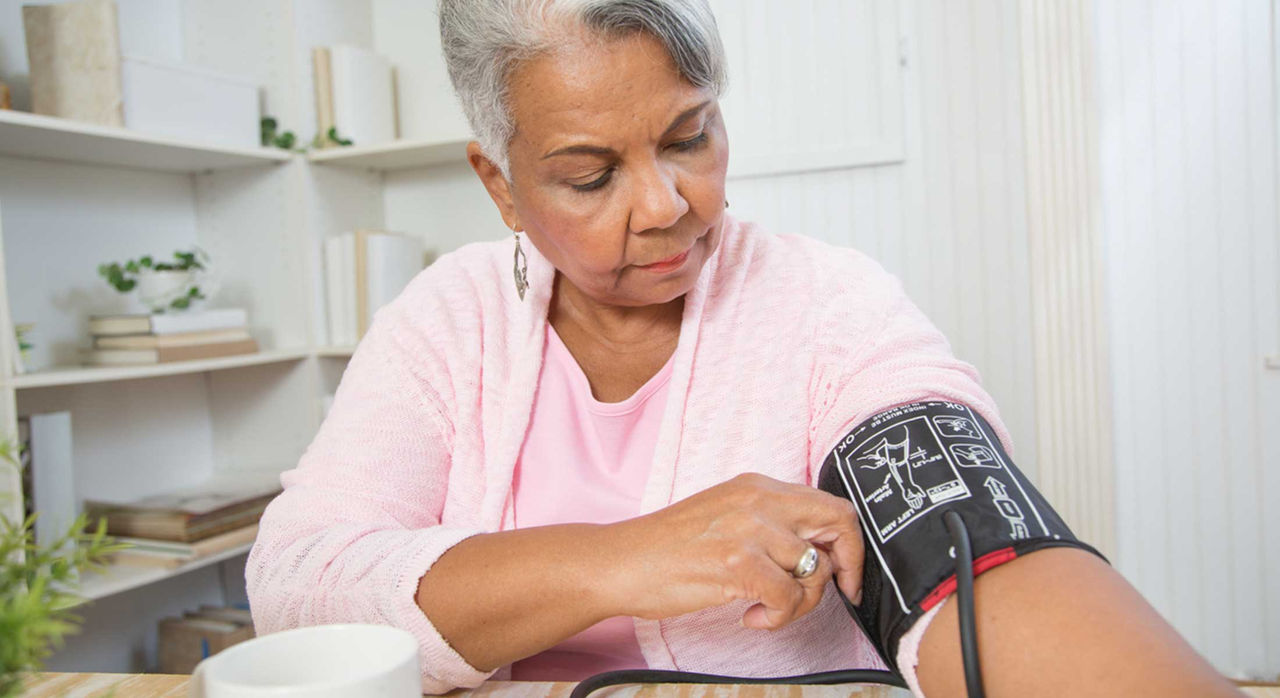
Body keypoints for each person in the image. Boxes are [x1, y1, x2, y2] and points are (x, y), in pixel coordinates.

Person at [246, 2, 1242, 696]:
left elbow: (958, 524)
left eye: (688, 136)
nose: (668, 203)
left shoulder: (826, 301)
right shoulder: (444, 323)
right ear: (500, 185)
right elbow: (299, 588)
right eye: (589, 176)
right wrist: (619, 559)